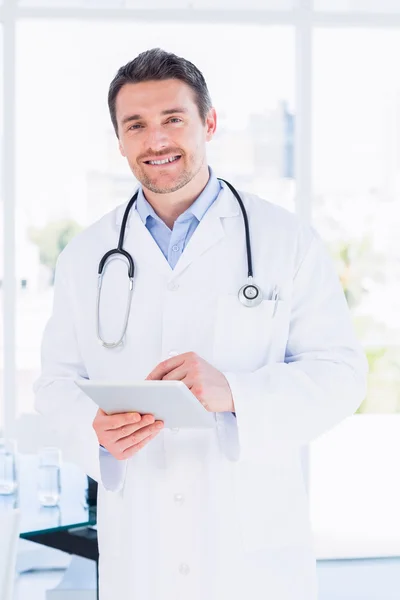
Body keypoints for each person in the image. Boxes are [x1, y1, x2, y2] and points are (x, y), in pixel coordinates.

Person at [34, 48, 368, 600]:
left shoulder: (285, 240)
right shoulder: (86, 255)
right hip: (139, 548)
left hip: (251, 549)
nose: (156, 140)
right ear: (119, 141)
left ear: (208, 123)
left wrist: (235, 391)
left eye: (173, 119)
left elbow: (341, 375)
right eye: (135, 125)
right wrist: (91, 426)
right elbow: (54, 384)